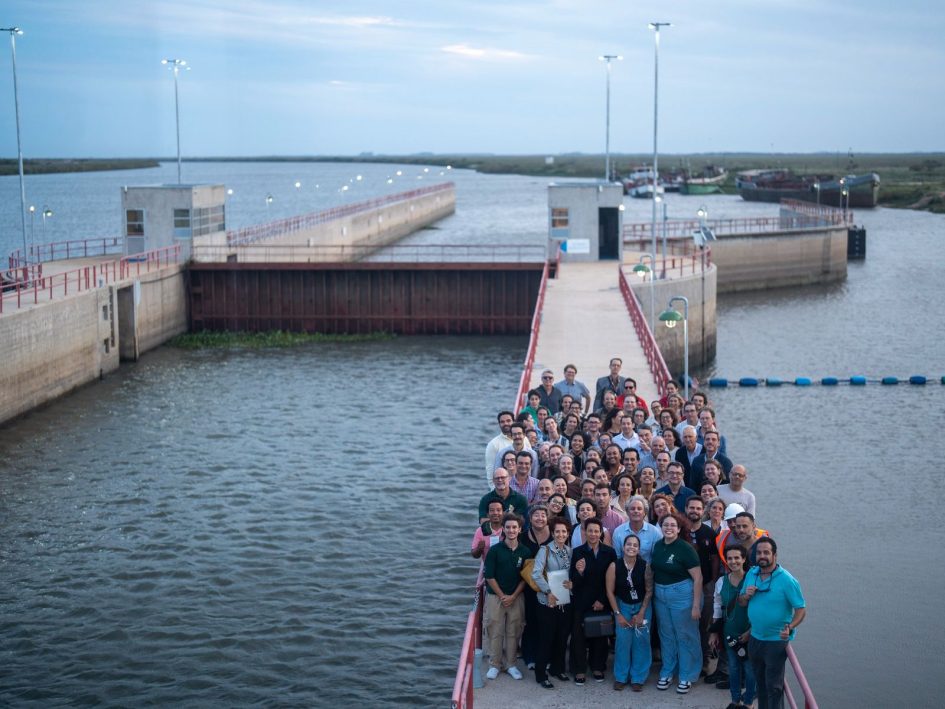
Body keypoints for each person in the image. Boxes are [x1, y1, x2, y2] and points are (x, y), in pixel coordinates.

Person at [741, 538, 806, 709]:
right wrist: (746, 595)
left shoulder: (787, 580)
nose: (762, 556)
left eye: (766, 552)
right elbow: (741, 602)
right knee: (760, 684)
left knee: (774, 687)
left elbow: (801, 610)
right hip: (755, 638)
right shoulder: (751, 573)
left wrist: (790, 627)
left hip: (775, 641)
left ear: (775, 555)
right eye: (759, 552)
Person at [650, 511, 703, 694]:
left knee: (685, 634)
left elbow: (698, 578)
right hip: (660, 595)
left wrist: (696, 605)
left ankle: (687, 675)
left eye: (673, 525)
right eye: (666, 525)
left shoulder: (685, 548)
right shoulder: (657, 546)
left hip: (682, 595)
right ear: (661, 527)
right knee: (666, 634)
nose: (669, 528)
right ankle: (667, 671)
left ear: (679, 529)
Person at [483, 513, 533, 681]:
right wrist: (503, 596)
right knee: (495, 629)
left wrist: (513, 596)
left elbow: (526, 577)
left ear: (520, 529)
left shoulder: (525, 551)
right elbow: (489, 576)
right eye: (508, 527)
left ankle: (511, 665)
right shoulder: (495, 550)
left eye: (514, 527)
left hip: (516, 597)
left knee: (514, 630)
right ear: (503, 529)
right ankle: (494, 664)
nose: (511, 530)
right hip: (496, 596)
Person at [569, 517, 617, 686]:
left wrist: (602, 600)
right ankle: (580, 669)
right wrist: (580, 572)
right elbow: (573, 581)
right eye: (590, 530)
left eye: (596, 531)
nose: (593, 534)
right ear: (585, 532)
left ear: (601, 533)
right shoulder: (577, 552)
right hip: (581, 601)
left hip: (602, 601)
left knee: (600, 636)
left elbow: (612, 580)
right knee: (578, 637)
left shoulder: (609, 552)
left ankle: (598, 667)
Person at [709, 545, 757, 708]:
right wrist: (714, 632)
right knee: (734, 668)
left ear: (744, 559)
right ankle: (735, 700)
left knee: (750, 670)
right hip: (729, 630)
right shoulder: (722, 581)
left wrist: (750, 632)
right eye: (729, 558)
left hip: (749, 632)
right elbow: (717, 605)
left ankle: (748, 702)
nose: (733, 561)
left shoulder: (752, 580)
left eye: (737, 557)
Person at [606, 534, 654, 692]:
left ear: (639, 549)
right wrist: (618, 614)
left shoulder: (645, 566)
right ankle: (621, 676)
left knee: (641, 641)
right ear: (623, 547)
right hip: (622, 606)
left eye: (635, 545)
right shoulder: (615, 565)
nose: (631, 547)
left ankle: (638, 677)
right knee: (623, 642)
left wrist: (641, 613)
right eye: (628, 544)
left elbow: (649, 590)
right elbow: (609, 591)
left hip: (641, 606)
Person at [532, 518, 575, 689]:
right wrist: (548, 592)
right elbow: (536, 574)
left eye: (564, 531)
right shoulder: (545, 550)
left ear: (568, 533)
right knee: (546, 639)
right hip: (547, 602)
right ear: (552, 533)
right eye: (557, 531)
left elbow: (571, 574)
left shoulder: (570, 551)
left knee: (562, 637)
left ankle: (557, 669)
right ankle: (541, 674)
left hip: (565, 601)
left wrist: (573, 583)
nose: (560, 534)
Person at [684, 496, 721, 678]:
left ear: (703, 511)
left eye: (698, 508)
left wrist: (713, 581)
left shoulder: (709, 533)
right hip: (684, 586)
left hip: (706, 585)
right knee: (685, 623)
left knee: (704, 623)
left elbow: (714, 559)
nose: (695, 511)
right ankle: (687, 660)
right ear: (686, 508)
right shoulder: (680, 531)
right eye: (692, 508)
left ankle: (705, 660)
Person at [520, 505, 552, 671]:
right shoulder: (523, 537)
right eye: (536, 515)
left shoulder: (554, 536)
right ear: (530, 518)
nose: (540, 518)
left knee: (546, 622)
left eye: (543, 515)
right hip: (528, 586)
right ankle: (529, 655)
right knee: (530, 621)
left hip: (548, 586)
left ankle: (545, 656)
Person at [612, 495, 663, 563]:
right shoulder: (618, 532)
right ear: (627, 512)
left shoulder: (655, 532)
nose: (636, 511)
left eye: (639, 509)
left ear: (644, 513)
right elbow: (617, 557)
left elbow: (657, 557)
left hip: (647, 571)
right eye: (632, 508)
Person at [485, 411, 519, 487]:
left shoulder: (524, 439)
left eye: (508, 421)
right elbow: (490, 470)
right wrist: (494, 489)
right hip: (503, 488)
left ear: (514, 421)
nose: (505, 423)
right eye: (502, 422)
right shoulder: (493, 444)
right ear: (499, 424)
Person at [472, 499, 506, 567]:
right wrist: (479, 549)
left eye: (498, 510)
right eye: (492, 510)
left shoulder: (509, 528)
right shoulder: (480, 530)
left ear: (503, 513)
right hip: (488, 566)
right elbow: (474, 555)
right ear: (487, 514)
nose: (495, 513)